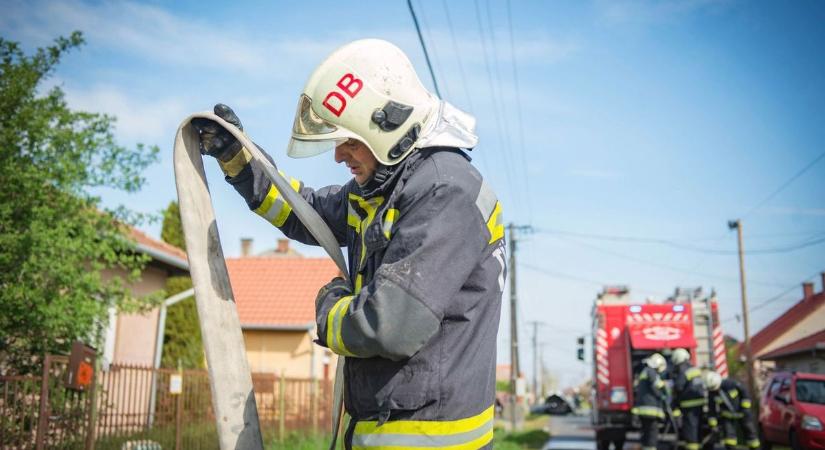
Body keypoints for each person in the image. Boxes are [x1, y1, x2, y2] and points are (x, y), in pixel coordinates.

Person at [194, 39, 506, 449]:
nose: (339, 155)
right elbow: (303, 212)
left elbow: (389, 327)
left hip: (429, 437)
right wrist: (241, 159)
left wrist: (330, 305)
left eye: (350, 140)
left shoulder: (444, 191)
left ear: (389, 125)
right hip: (382, 430)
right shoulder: (388, 186)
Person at [704, 371, 760, 450]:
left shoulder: (731, 384)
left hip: (743, 414)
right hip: (727, 417)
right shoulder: (712, 392)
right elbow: (711, 409)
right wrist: (713, 425)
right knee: (729, 439)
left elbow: (745, 394)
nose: (715, 390)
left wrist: (745, 408)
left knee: (751, 435)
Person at [670, 348, 708, 450]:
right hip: (700, 403)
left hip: (688, 405)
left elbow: (678, 386)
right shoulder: (694, 369)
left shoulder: (683, 369)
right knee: (698, 428)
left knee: (690, 430)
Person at [632, 353, 669, 450]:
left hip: (643, 410)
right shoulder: (651, 371)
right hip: (652, 409)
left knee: (646, 433)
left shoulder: (644, 371)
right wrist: (664, 390)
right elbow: (657, 385)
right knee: (652, 434)